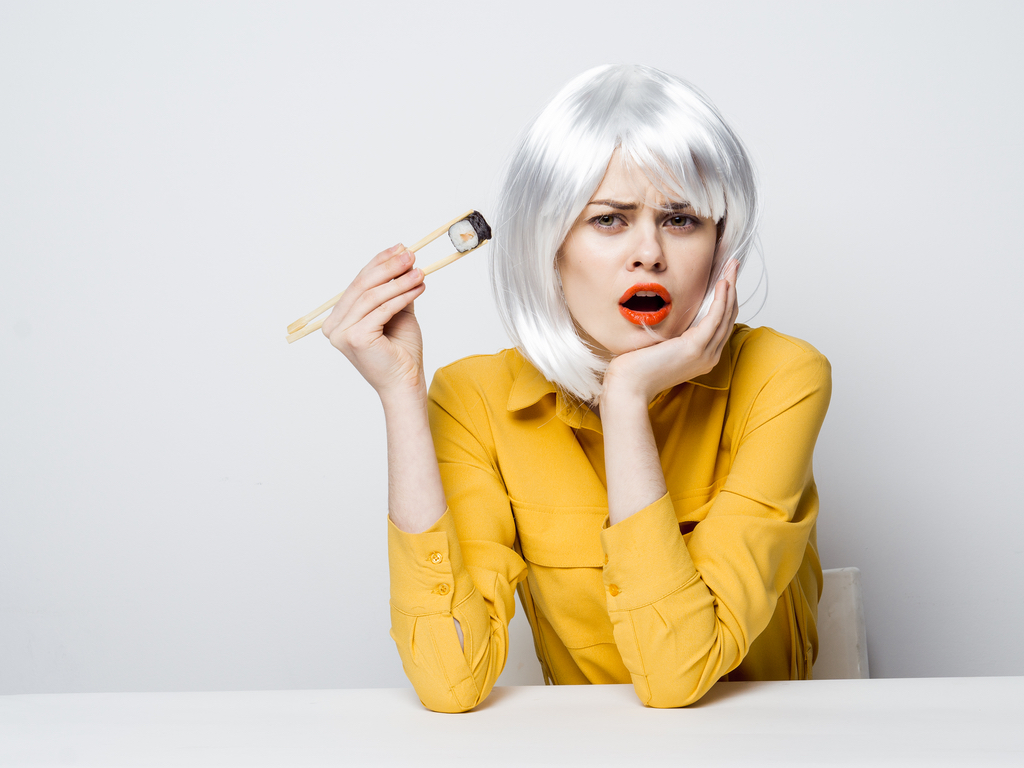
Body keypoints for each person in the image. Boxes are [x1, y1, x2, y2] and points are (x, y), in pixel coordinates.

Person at [322, 64, 831, 712]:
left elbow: (678, 675)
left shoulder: (782, 377)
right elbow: (452, 681)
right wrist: (400, 395)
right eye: (610, 220)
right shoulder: (476, 400)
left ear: (720, 244)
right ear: (549, 244)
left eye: (681, 220)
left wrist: (625, 398)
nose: (649, 252)